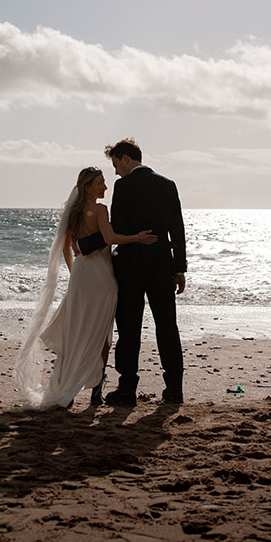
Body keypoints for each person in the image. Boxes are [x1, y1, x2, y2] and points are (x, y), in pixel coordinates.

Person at [14, 167, 155, 409]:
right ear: (88, 186)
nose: (105, 187)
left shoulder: (73, 213)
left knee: (75, 330)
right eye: (101, 183)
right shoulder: (100, 209)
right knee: (101, 335)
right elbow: (109, 238)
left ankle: (65, 385)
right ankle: (96, 391)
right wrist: (137, 238)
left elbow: (67, 248)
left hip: (81, 276)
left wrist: (75, 272)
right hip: (101, 277)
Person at [103, 138, 187, 406]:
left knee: (129, 329)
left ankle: (127, 388)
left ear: (126, 158)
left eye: (116, 164)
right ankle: (174, 389)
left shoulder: (124, 186)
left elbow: (117, 227)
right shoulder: (167, 184)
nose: (115, 171)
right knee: (167, 327)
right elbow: (178, 230)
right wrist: (180, 268)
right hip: (162, 263)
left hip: (131, 265)